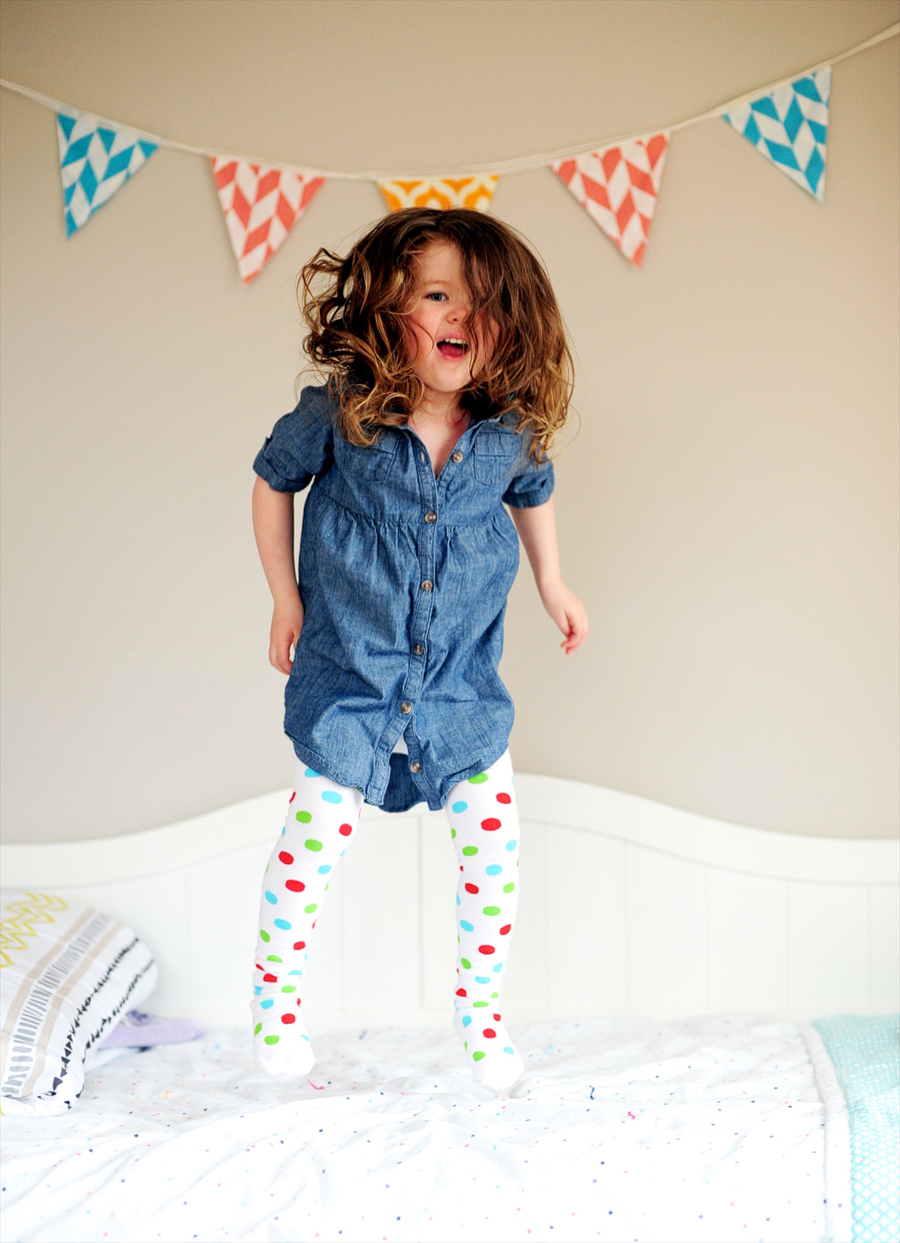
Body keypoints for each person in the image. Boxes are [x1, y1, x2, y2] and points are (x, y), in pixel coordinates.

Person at [250, 207, 588, 1092]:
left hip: (459, 692)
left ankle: (480, 1016)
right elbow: (269, 481)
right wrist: (284, 593)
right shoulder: (339, 413)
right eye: (438, 296)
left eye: (482, 304)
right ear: (388, 312)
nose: (461, 319)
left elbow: (537, 490)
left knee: (495, 854)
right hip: (349, 680)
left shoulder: (507, 432)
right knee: (311, 841)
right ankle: (276, 1008)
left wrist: (553, 580)